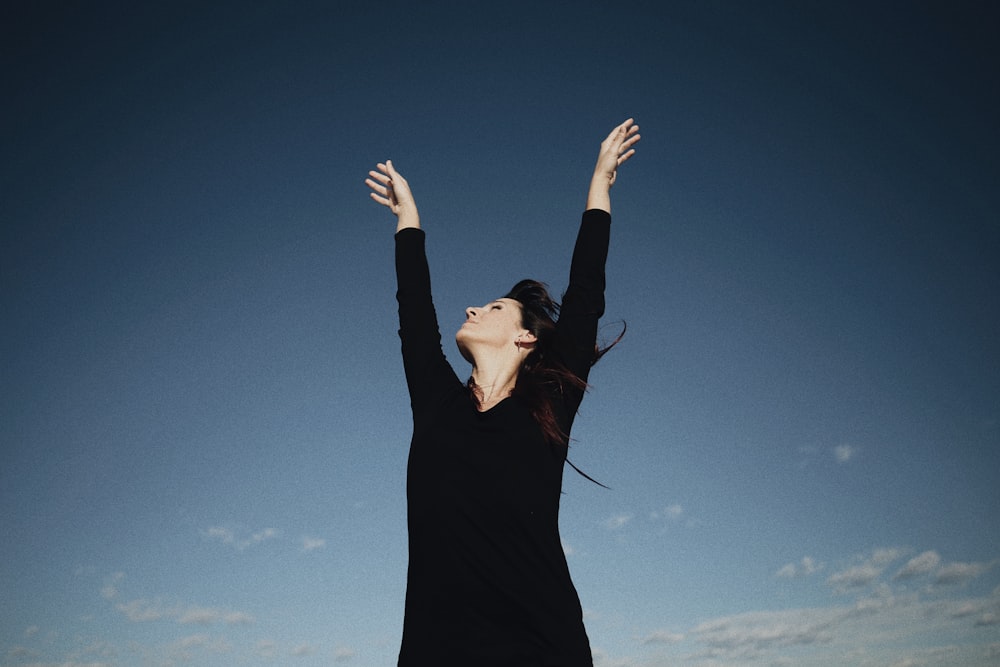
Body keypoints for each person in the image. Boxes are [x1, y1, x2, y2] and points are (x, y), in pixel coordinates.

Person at [365, 119, 640, 667]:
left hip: (541, 646)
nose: (471, 308)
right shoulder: (439, 407)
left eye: (493, 308)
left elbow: (585, 296)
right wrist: (407, 219)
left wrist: (600, 185)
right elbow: (414, 317)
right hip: (436, 650)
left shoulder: (548, 408)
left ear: (525, 337)